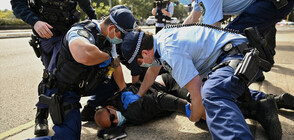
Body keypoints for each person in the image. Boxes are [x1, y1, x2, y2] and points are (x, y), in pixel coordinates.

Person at [120, 25, 294, 139]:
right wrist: (139, 95)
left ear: (144, 54)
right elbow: (152, 71)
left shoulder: (169, 50)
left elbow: (199, 97)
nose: (142, 66)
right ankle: (263, 105)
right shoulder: (159, 41)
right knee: (209, 108)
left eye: (139, 63)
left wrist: (193, 114)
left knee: (211, 94)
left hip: (240, 56)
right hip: (228, 59)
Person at [27, 8, 136, 140]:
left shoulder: (108, 38)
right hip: (64, 90)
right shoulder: (82, 31)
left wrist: (124, 90)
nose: (121, 41)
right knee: (68, 138)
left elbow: (116, 64)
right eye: (121, 37)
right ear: (113, 28)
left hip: (82, 85)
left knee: (114, 83)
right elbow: (82, 55)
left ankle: (90, 108)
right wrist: (105, 57)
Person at [11, 0, 97, 136]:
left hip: (67, 33)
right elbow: (17, 4)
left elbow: (85, 4)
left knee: (55, 74)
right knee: (50, 75)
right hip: (45, 35)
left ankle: (44, 115)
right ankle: (42, 115)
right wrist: (35, 22)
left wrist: (95, 21)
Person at [181, 0, 294, 81]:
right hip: (269, 4)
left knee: (230, 40)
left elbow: (212, 31)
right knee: (246, 37)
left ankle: (228, 85)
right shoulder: (198, 2)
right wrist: (173, 34)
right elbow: (192, 18)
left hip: (273, 3)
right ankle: (255, 70)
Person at [95, 73, 190, 128]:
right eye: (113, 125)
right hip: (163, 87)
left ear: (110, 107)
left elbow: (159, 99)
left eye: (112, 118)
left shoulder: (132, 109)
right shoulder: (115, 106)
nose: (116, 121)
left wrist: (187, 108)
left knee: (200, 107)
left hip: (170, 84)